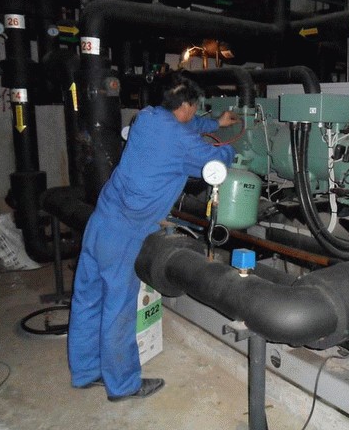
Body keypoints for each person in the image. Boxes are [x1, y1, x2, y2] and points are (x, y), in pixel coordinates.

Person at [67, 76, 238, 401]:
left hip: (101, 219)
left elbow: (186, 125)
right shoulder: (182, 143)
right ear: (186, 105)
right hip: (125, 233)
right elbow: (215, 160)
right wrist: (231, 150)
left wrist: (215, 123)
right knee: (118, 308)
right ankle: (123, 385)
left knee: (87, 298)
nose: (195, 111)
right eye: (195, 106)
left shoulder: (146, 117)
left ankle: (85, 371)